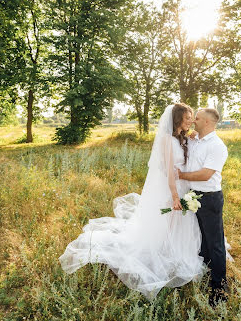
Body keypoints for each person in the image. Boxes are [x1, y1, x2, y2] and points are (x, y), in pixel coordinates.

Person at [58, 103, 205, 300]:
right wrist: (175, 195)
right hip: (171, 188)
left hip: (183, 185)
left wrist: (192, 135)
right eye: (188, 118)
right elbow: (169, 171)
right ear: (178, 119)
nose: (191, 121)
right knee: (168, 221)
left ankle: (175, 251)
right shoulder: (167, 140)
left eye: (192, 118)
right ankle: (164, 253)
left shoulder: (181, 137)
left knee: (179, 223)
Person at [177, 108, 229, 305]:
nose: (193, 121)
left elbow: (205, 174)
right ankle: (208, 273)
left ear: (207, 122)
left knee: (215, 243)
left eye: (197, 118)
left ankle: (219, 288)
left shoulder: (217, 146)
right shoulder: (195, 139)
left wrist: (181, 176)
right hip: (193, 196)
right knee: (202, 241)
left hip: (210, 198)